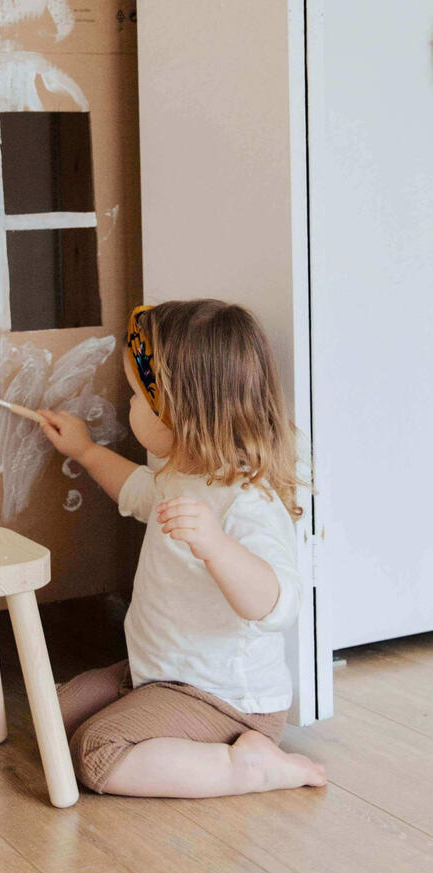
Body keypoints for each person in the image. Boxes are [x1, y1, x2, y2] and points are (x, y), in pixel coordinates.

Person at [38, 300, 327, 798]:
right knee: (50, 713)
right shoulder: (182, 477)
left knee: (96, 753)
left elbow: (278, 604)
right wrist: (85, 451)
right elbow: (135, 489)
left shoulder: (246, 501)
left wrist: (215, 546)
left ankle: (251, 767)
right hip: (159, 671)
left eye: (137, 397)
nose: (129, 407)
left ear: (183, 412)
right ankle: (172, 732)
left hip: (225, 700)